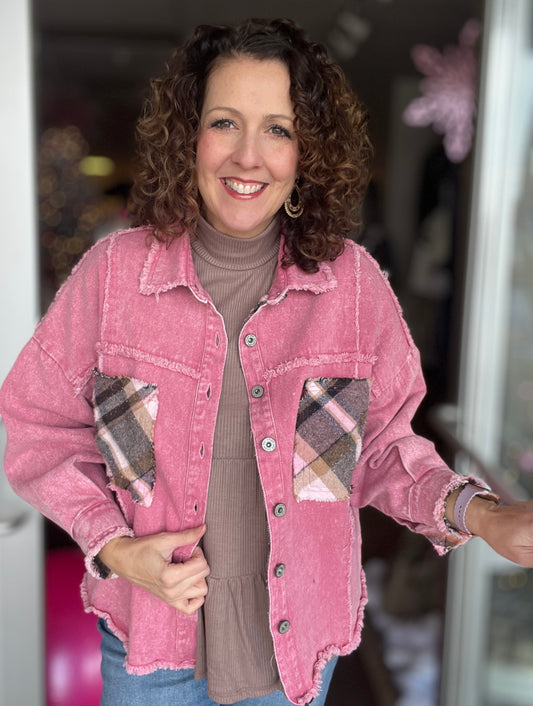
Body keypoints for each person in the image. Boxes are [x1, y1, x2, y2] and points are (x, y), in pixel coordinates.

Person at [1, 17, 533, 706]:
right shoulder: (114, 276)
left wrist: (482, 515)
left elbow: (378, 449)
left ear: (306, 150)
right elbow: (38, 425)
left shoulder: (350, 286)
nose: (247, 156)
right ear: (188, 135)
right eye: (224, 122)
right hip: (151, 645)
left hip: (297, 646)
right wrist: (113, 546)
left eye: (278, 129)